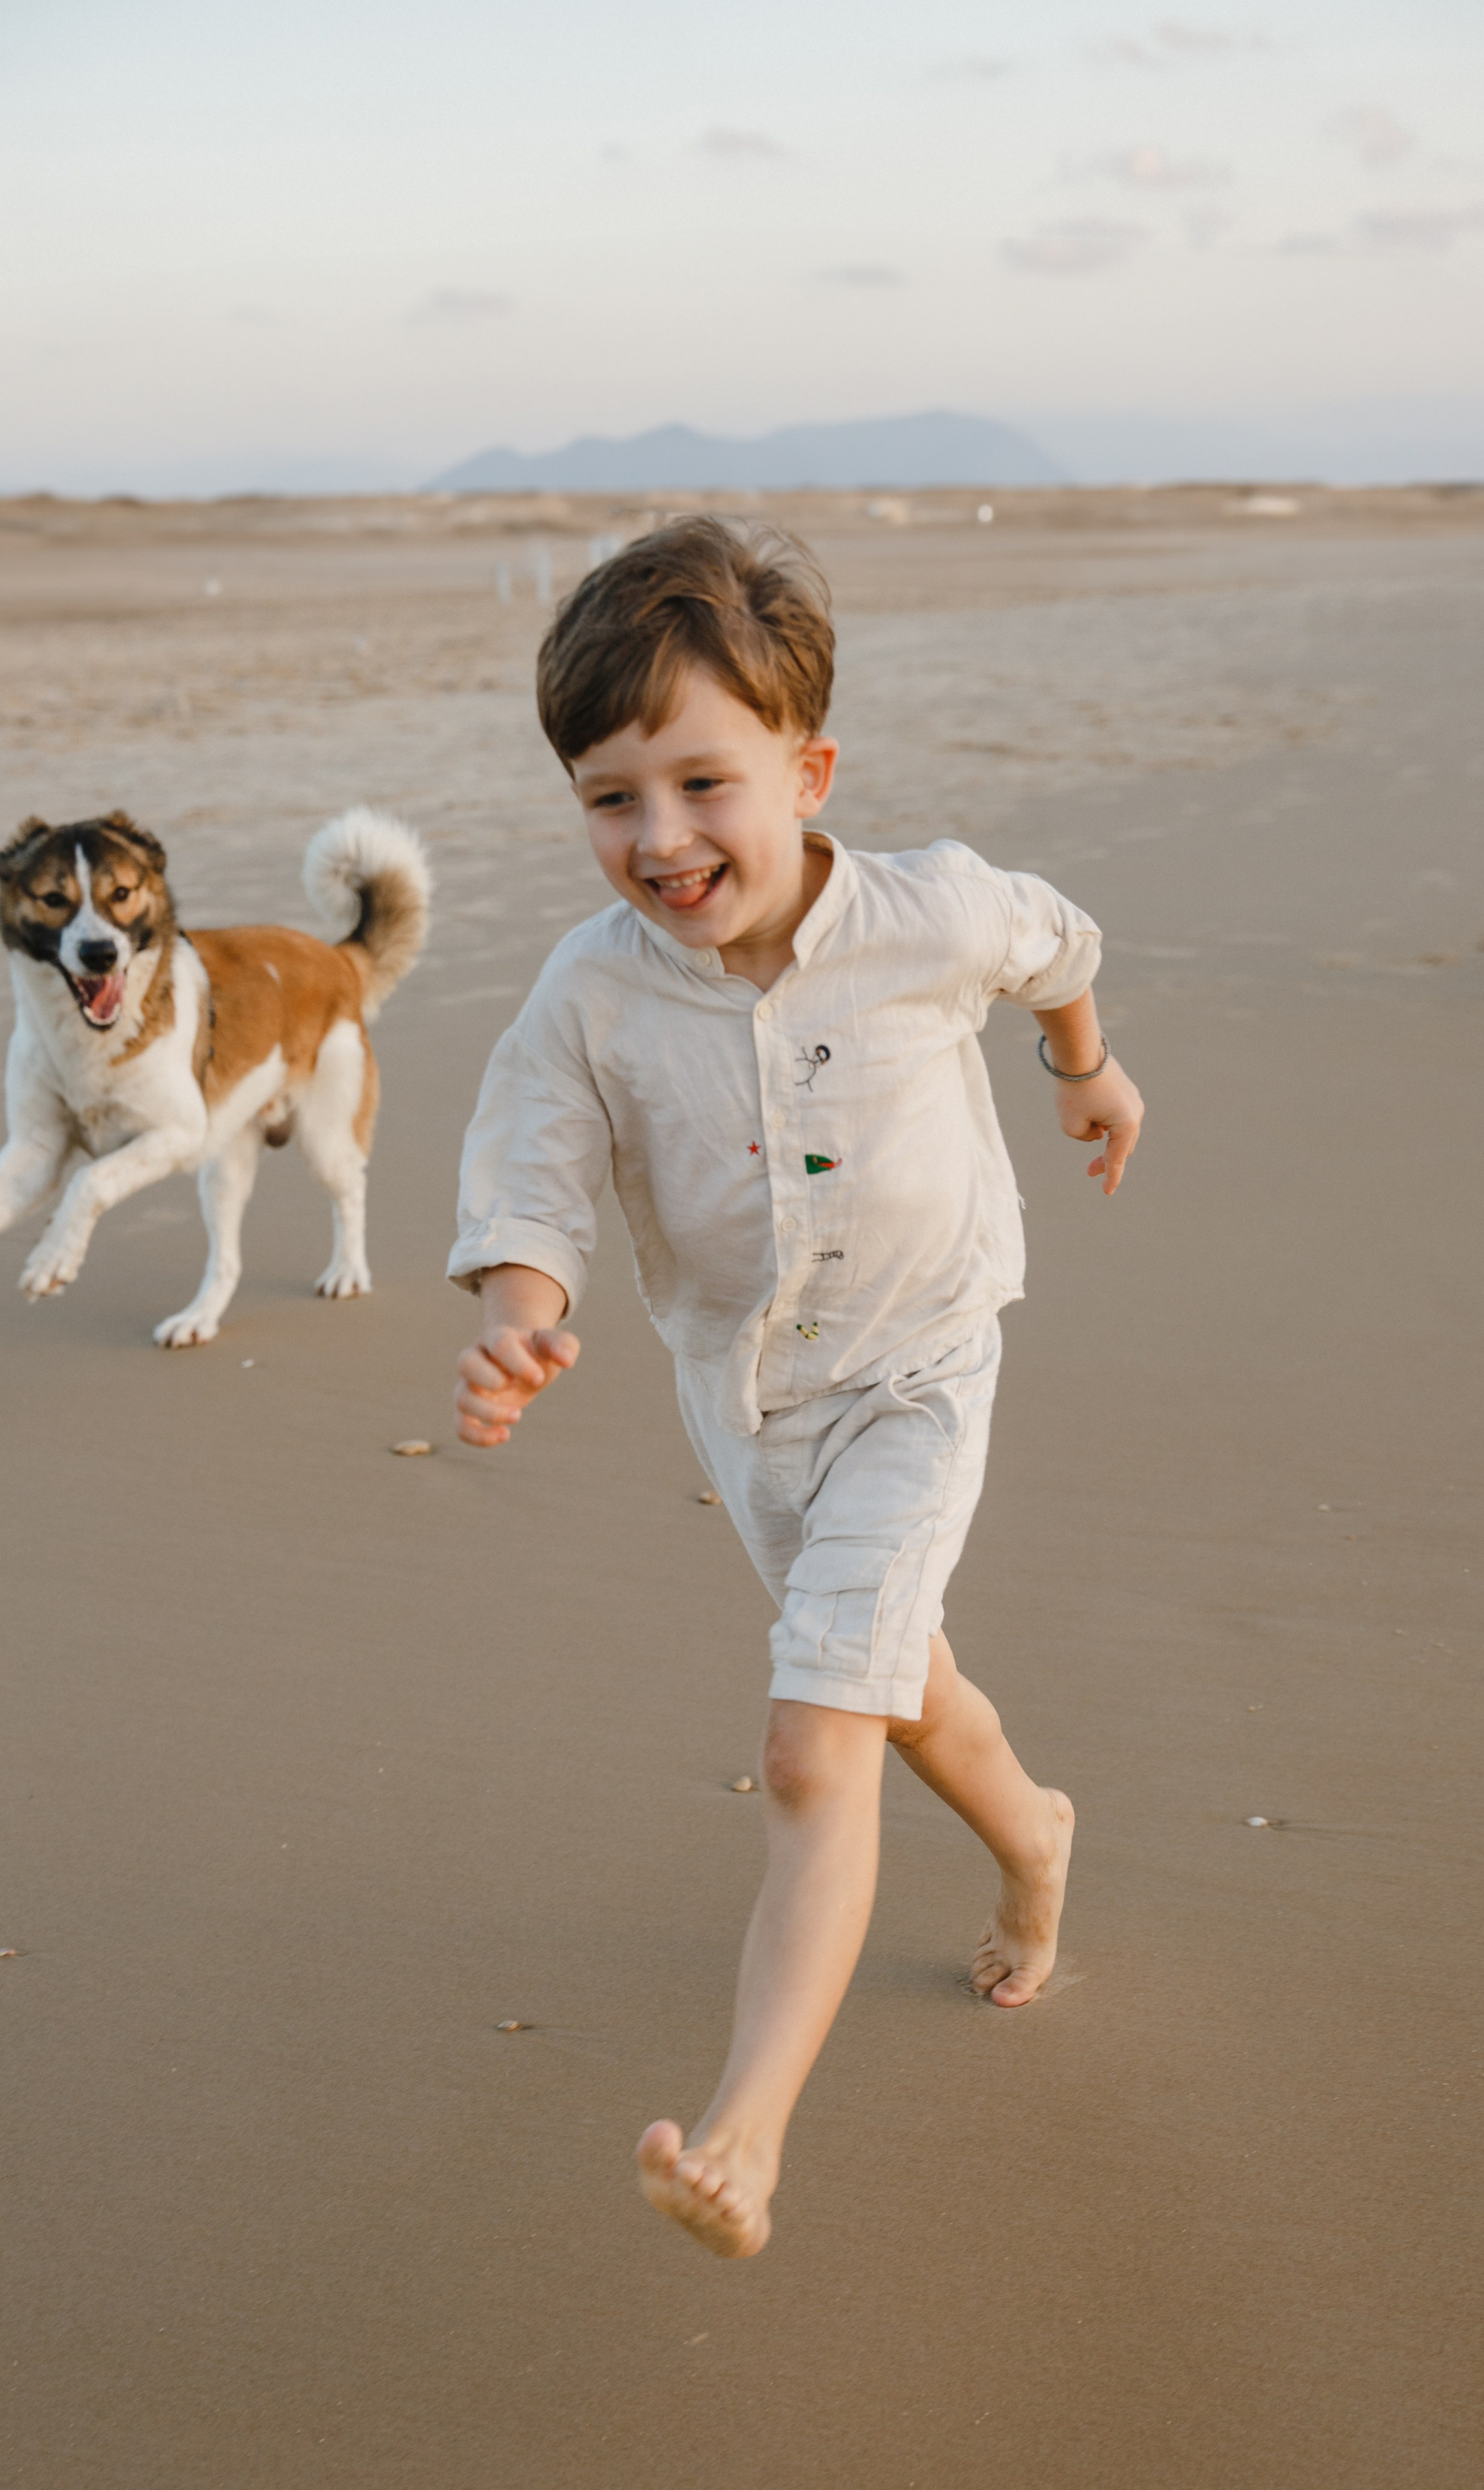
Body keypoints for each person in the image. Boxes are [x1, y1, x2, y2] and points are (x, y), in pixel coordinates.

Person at [447, 519, 1144, 2259]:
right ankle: (1036, 1835)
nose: (661, 838)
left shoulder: (932, 913)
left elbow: (1057, 945)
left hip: (921, 1373)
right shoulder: (591, 994)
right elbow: (534, 1167)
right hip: (750, 1413)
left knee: (814, 1736)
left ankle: (745, 2136)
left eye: (703, 783)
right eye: (612, 799)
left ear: (807, 772)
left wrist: (1088, 1071)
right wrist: (523, 1312)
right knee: (902, 1688)